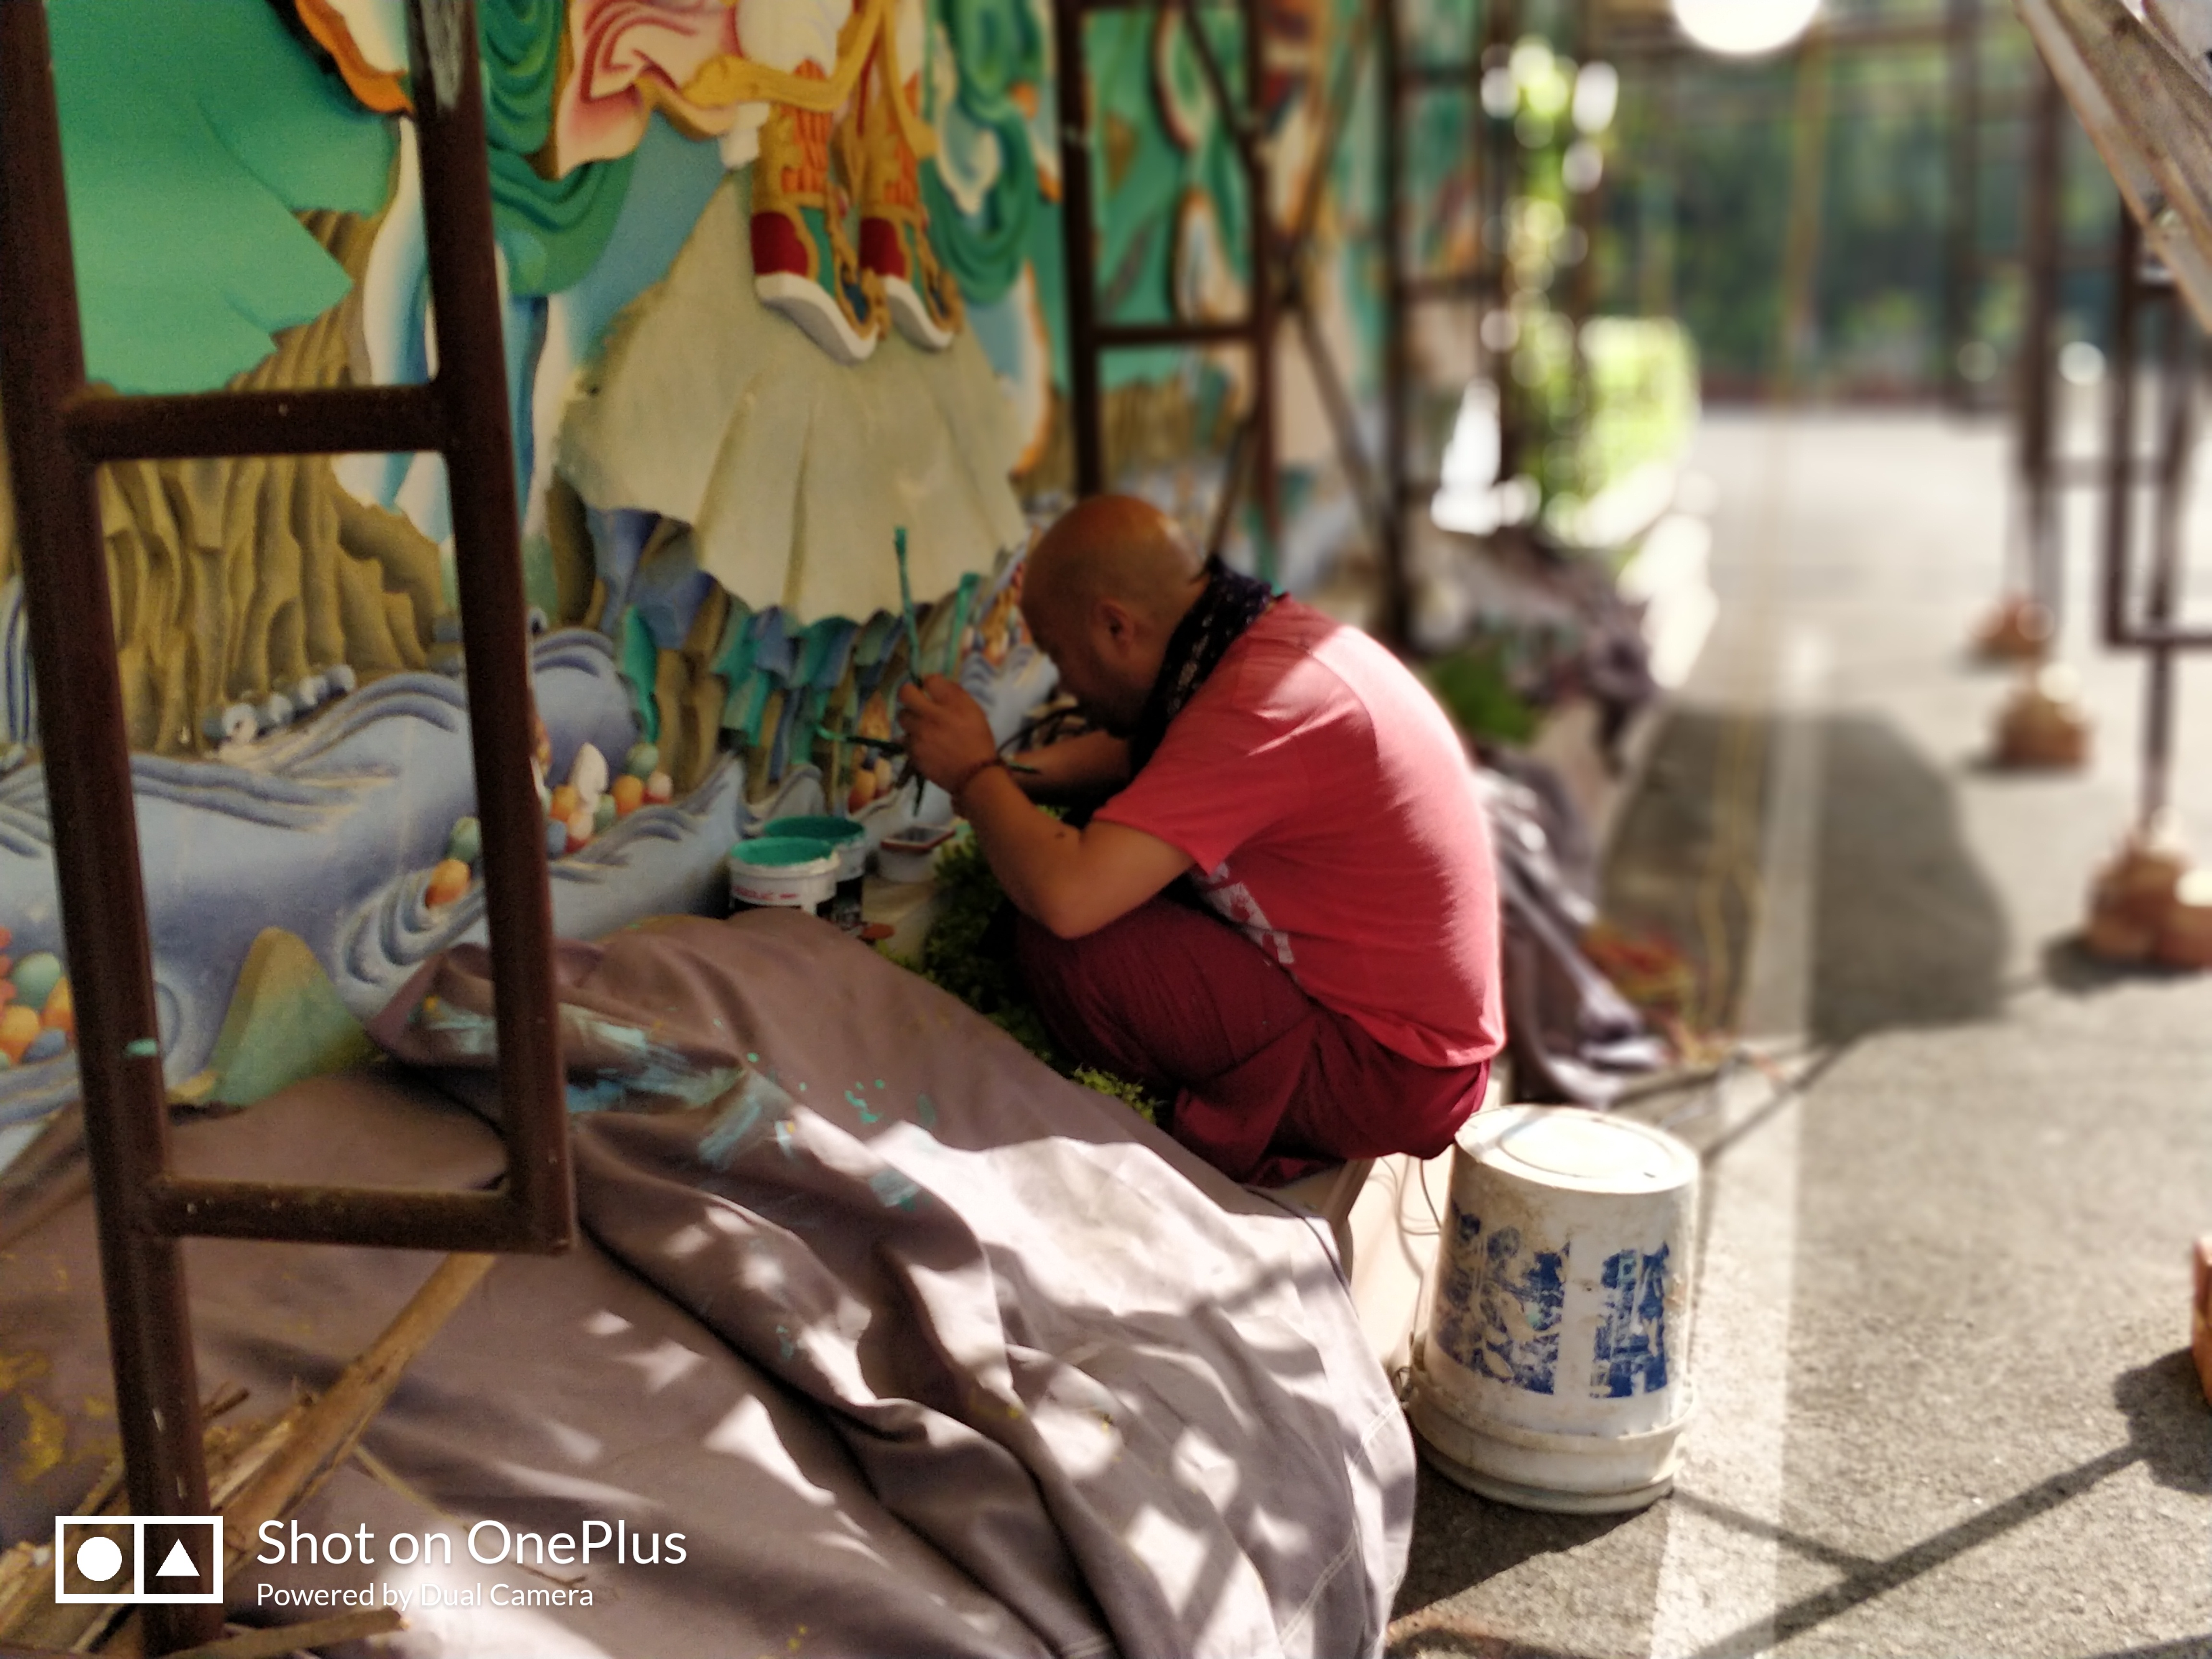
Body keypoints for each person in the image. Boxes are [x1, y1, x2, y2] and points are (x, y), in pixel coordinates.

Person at [896, 495, 1503, 1186]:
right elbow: (1153, 756)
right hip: (1419, 1044)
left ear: (1115, 627)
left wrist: (976, 776)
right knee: (1091, 854)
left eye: (1060, 655)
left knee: (1063, 945)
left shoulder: (1255, 704)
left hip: (1387, 1073)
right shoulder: (1256, 642)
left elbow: (1068, 896)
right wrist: (1007, 778)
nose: (1064, 682)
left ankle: (1200, 1122)